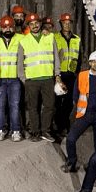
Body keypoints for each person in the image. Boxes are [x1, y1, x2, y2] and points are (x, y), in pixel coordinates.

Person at [62, 51, 96, 172]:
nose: (95, 64)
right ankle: (71, 162)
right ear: (89, 62)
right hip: (84, 114)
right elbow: (75, 94)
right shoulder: (82, 75)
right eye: (93, 61)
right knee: (71, 138)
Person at [17, 13, 61, 142]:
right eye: (31, 24)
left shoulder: (50, 37)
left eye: (36, 23)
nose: (34, 25)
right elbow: (20, 61)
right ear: (28, 26)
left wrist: (57, 74)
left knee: (49, 105)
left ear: (40, 24)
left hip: (48, 78)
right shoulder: (23, 41)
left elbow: (56, 57)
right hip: (31, 80)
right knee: (32, 107)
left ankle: (45, 131)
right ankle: (35, 132)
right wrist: (22, 78)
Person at [0, 16, 23, 141]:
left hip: (15, 78)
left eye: (10, 26)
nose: (7, 29)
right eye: (5, 27)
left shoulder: (20, 38)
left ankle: (16, 131)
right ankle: (0, 130)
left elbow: (33, 39)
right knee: (0, 106)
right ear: (0, 27)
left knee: (14, 105)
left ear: (14, 27)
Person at [53, 13, 81, 140]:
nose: (67, 25)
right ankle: (60, 127)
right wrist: (55, 73)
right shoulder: (55, 37)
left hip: (71, 74)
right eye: (65, 22)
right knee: (58, 102)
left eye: (69, 23)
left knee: (69, 102)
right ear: (61, 24)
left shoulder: (77, 39)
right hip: (59, 74)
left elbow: (80, 57)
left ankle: (63, 124)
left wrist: (78, 73)